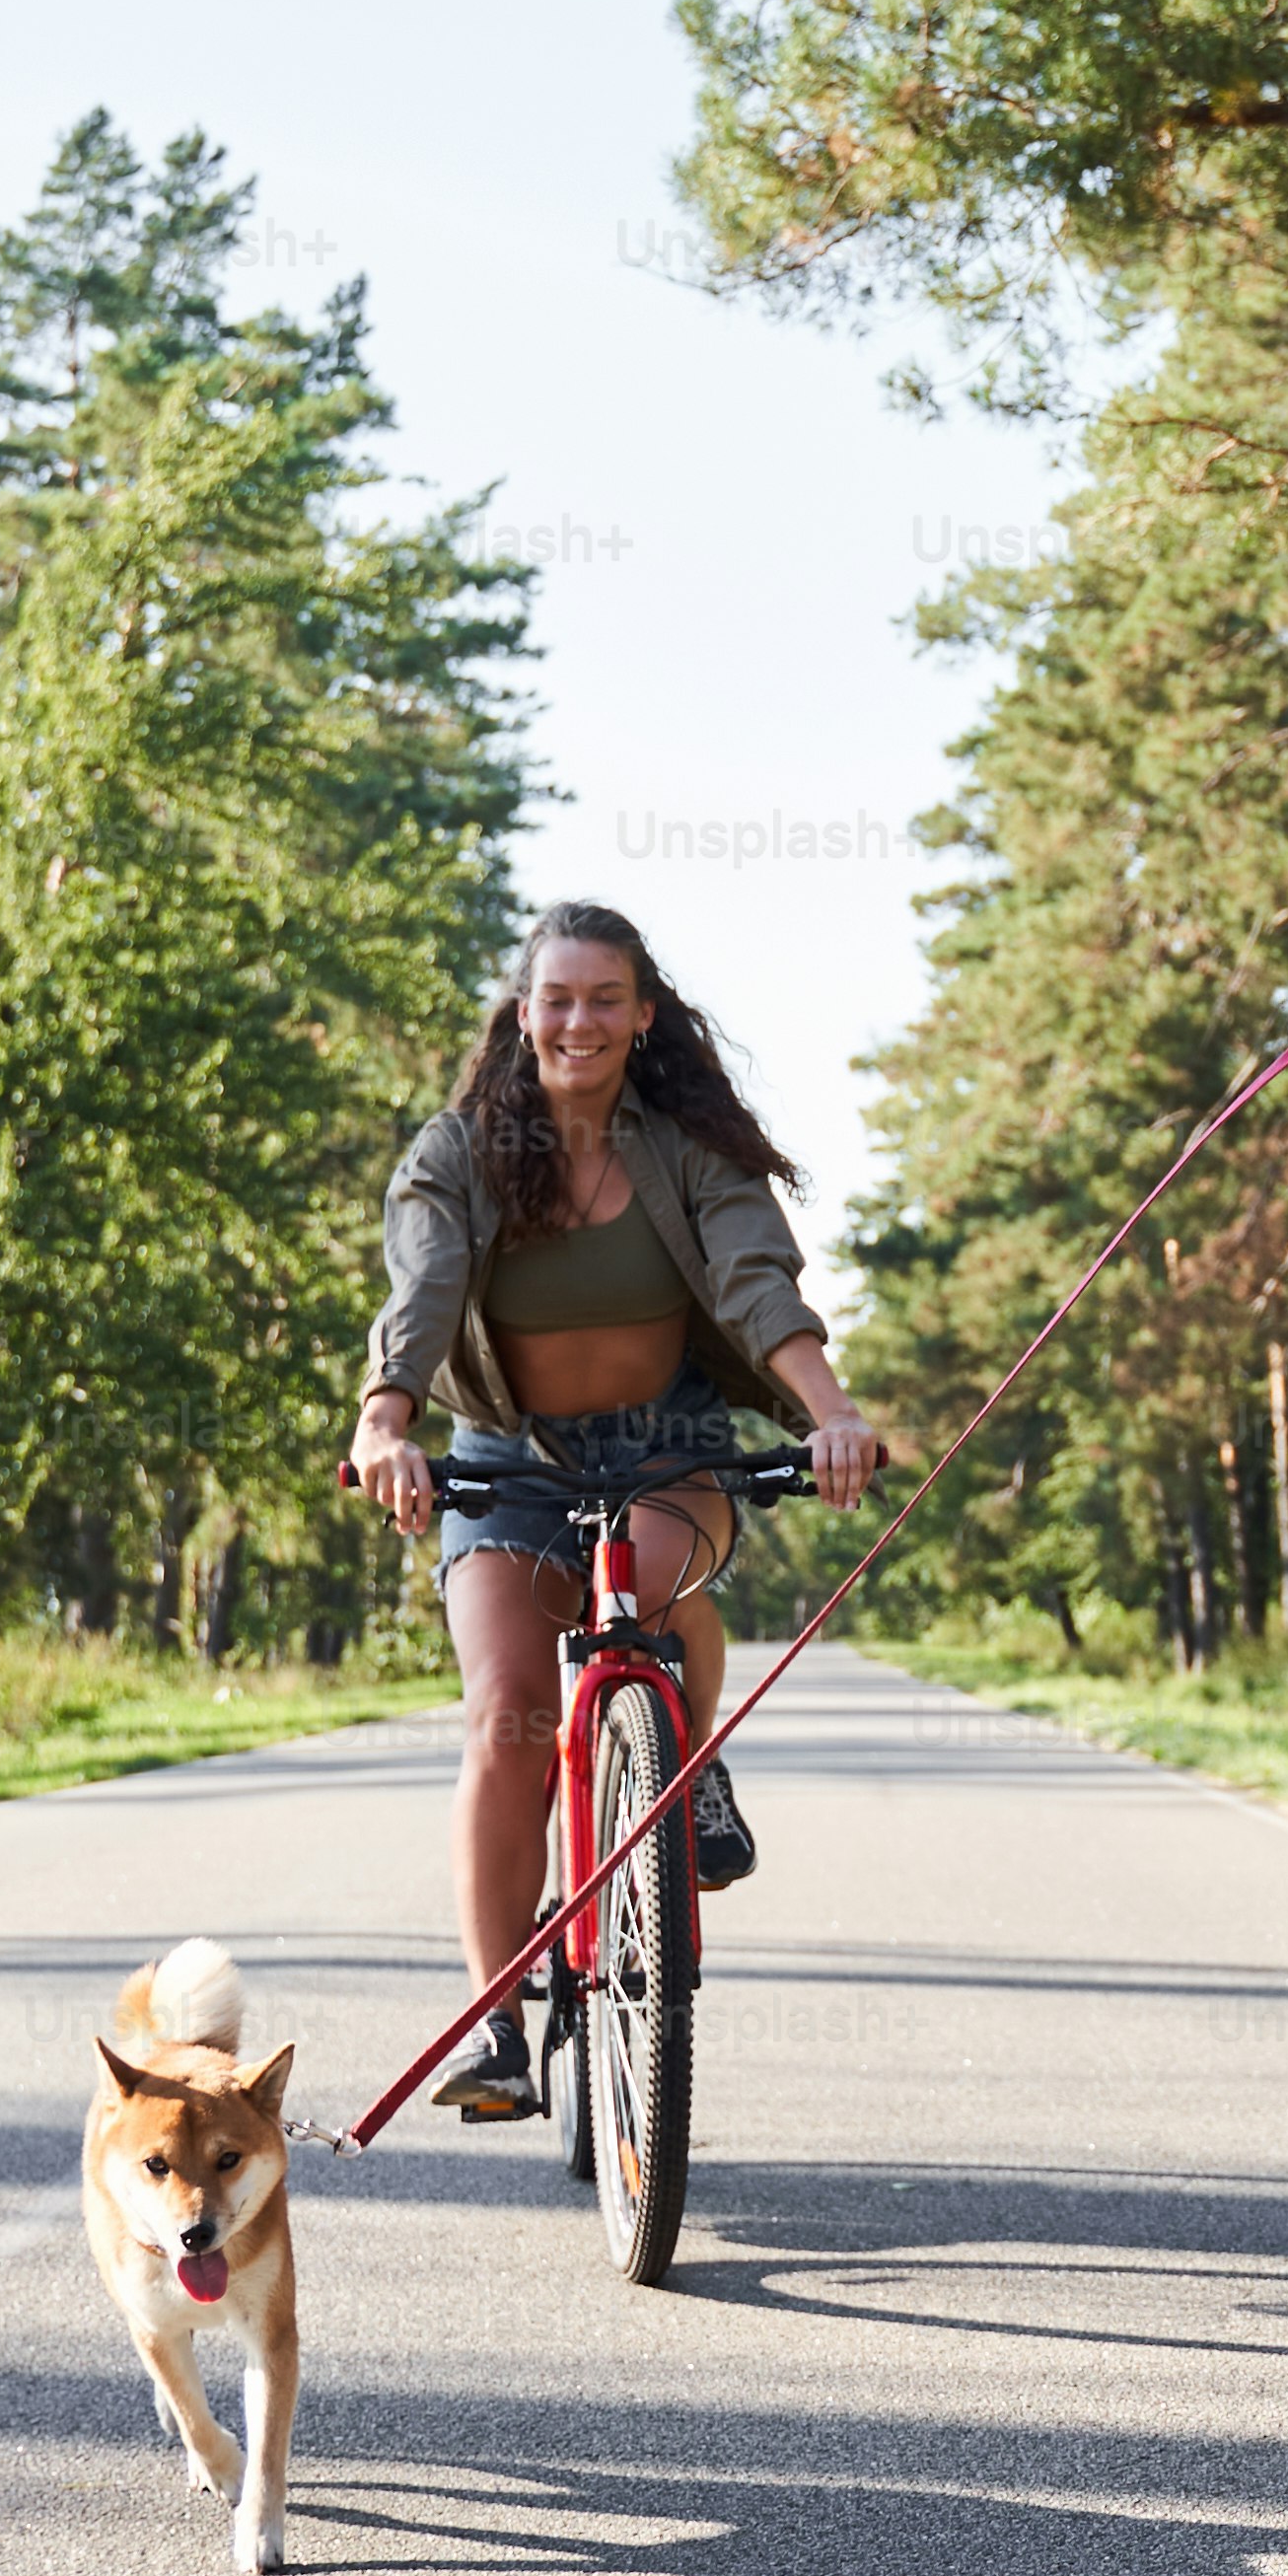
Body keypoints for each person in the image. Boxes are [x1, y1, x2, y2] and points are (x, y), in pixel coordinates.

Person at [344, 905, 883, 2121]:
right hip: (507, 1457)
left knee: (647, 1575)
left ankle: (684, 1772)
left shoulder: (690, 1146)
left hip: (669, 1443)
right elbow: (422, 1293)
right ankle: (496, 2023)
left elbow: (757, 1278)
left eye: (605, 998)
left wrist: (830, 1414)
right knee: (510, 1714)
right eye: (558, 998)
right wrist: (386, 1421)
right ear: (523, 1013)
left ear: (644, 1014)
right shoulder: (462, 1150)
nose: (579, 1020)